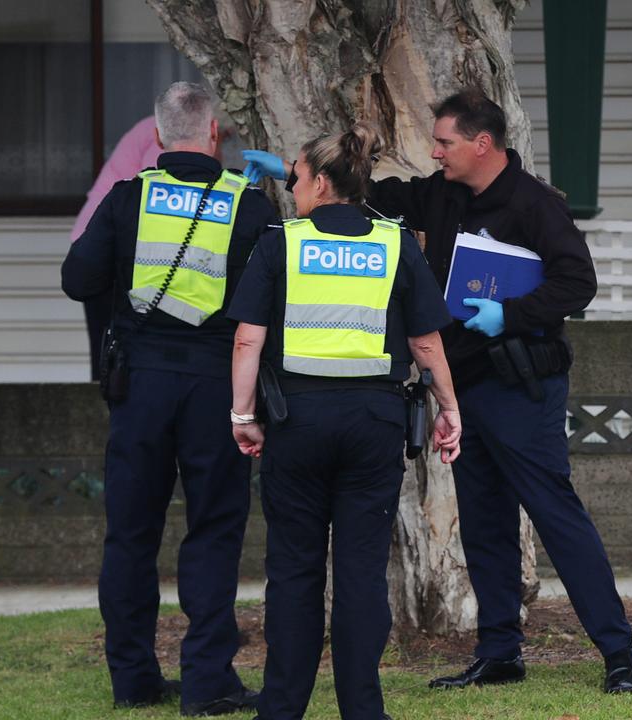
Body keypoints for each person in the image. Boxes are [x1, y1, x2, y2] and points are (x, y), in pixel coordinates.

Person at [244, 89, 632, 694]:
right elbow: (371, 196)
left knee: (555, 515)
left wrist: (507, 314)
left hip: (522, 384)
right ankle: (500, 650)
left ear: (482, 143)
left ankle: (619, 651)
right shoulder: (444, 194)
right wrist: (295, 171)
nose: (435, 153)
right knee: (482, 522)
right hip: (468, 385)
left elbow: (577, 282)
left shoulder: (536, 206)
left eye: (445, 142)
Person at [227, 122, 462, 720]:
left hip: (296, 423)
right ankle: (363, 709)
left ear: (323, 182)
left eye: (298, 177)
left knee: (294, 571)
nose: (293, 188)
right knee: (360, 571)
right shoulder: (395, 242)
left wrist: (242, 414)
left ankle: (281, 708)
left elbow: (247, 342)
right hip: (372, 425)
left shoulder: (282, 241)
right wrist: (449, 409)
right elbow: (428, 345)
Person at [61, 81, 277, 715]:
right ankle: (208, 681)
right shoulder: (250, 204)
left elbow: (78, 280)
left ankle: (133, 680)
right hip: (218, 386)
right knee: (213, 530)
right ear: (214, 134)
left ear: (157, 137)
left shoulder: (130, 198)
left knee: (130, 533)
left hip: (140, 389)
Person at [70, 116, 163, 380]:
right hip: (105, 244)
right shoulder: (168, 137)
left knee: (106, 343)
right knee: (110, 345)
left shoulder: (158, 127)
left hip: (100, 238)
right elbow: (155, 190)